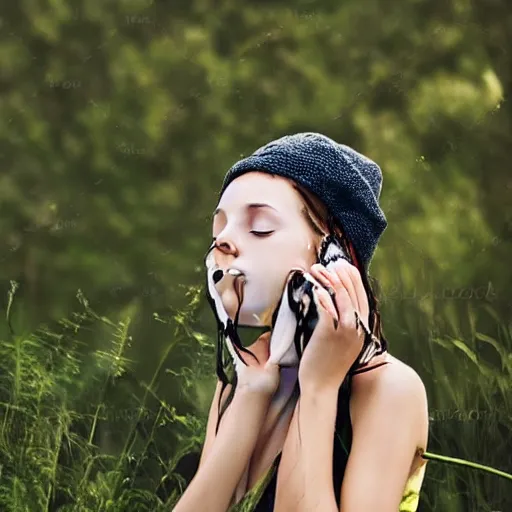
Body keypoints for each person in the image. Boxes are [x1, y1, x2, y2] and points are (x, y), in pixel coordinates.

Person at [173, 132, 429, 512]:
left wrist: (319, 390)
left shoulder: (387, 388)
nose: (223, 243)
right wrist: (251, 395)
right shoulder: (245, 378)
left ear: (335, 253)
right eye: (218, 230)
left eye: (260, 227)